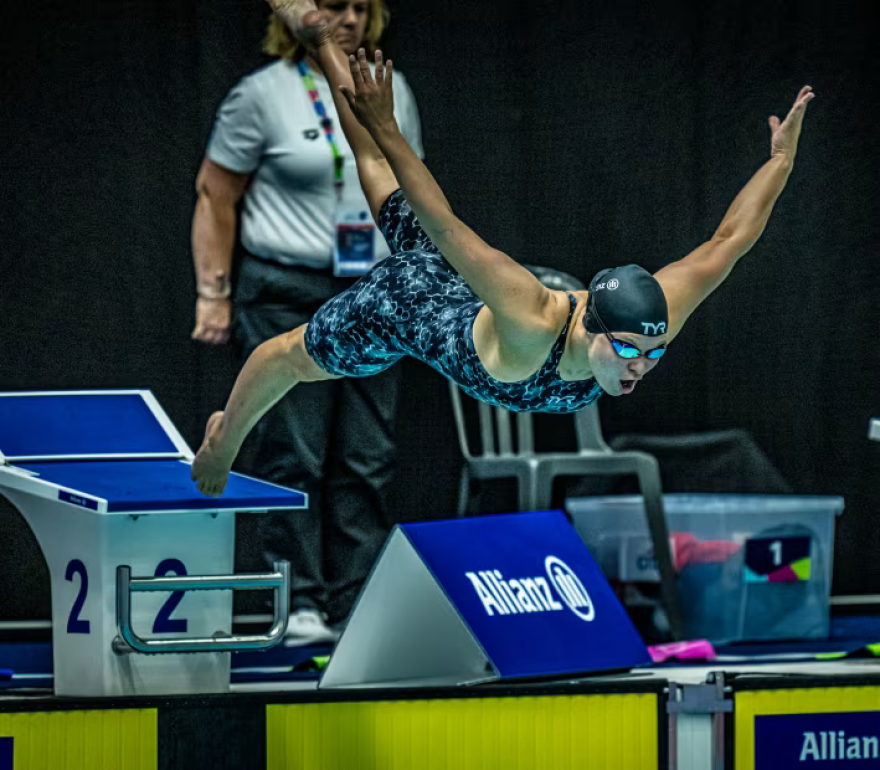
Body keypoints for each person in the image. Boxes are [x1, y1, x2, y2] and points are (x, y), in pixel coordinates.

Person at [191, 0, 814, 506]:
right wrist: (383, 124)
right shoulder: (530, 315)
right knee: (289, 355)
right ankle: (224, 438)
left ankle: (322, 38)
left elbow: (727, 243)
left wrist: (780, 162)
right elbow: (443, 225)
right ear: (593, 325)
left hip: (490, 293)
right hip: (418, 304)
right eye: (627, 351)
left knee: (381, 172)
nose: (639, 368)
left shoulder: (654, 316)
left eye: (653, 354)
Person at [190, 0, 424, 644]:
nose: (346, 19)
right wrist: (214, 293)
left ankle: (359, 603)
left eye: (359, 7)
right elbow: (217, 194)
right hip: (287, 290)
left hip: (376, 291)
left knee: (367, 456)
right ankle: (296, 602)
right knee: (293, 451)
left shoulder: (390, 86)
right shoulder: (260, 95)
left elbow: (407, 182)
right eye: (332, 6)